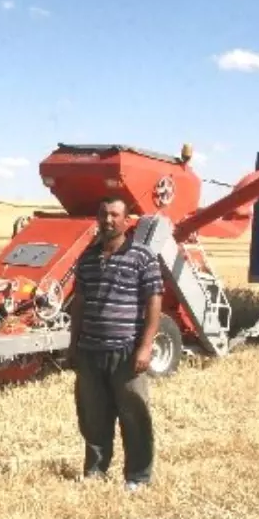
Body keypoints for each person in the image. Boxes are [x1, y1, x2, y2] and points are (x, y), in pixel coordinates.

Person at [66, 196, 163, 489]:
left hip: (126, 350)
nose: (108, 220)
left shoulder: (143, 256)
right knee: (93, 416)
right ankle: (95, 471)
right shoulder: (87, 257)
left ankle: (138, 477)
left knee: (134, 415)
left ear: (127, 220)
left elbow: (154, 303)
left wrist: (145, 347)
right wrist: (73, 343)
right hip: (90, 350)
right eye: (104, 214)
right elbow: (79, 302)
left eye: (115, 215)